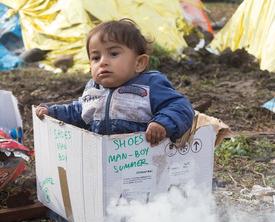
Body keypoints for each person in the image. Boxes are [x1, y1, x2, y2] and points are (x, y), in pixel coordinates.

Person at [35, 18, 194, 146]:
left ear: (139, 63)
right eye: (96, 57)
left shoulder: (151, 84)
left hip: (144, 160)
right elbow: (79, 111)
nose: (102, 62)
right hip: (103, 160)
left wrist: (162, 123)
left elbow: (180, 107)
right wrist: (53, 112)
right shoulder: (93, 89)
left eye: (113, 53)